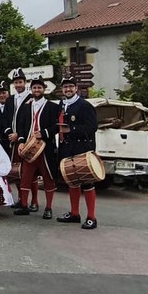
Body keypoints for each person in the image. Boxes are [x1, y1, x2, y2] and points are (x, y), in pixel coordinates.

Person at [54, 76, 99, 229]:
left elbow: (92, 127)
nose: (68, 89)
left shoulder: (84, 105)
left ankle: (92, 217)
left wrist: (71, 129)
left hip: (82, 149)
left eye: (70, 86)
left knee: (87, 183)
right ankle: (74, 214)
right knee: (72, 182)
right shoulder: (61, 104)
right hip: (67, 148)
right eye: (65, 87)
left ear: (76, 88)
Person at [14, 75, 60, 219]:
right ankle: (24, 205)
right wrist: (21, 141)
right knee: (25, 176)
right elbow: (21, 127)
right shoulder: (26, 106)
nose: (37, 89)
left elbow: (57, 126)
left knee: (48, 178)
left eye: (39, 87)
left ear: (44, 89)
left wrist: (44, 133)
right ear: (31, 89)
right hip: (29, 147)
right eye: (34, 87)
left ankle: (48, 207)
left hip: (45, 148)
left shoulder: (53, 107)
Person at [4, 68, 36, 209]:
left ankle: (34, 201)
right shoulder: (10, 99)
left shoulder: (31, 99)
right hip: (13, 141)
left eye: (20, 82)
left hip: (26, 140)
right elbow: (6, 119)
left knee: (30, 172)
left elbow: (30, 121)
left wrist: (20, 135)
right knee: (17, 171)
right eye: (16, 82)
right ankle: (20, 199)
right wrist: (10, 133)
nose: (18, 85)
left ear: (25, 82)